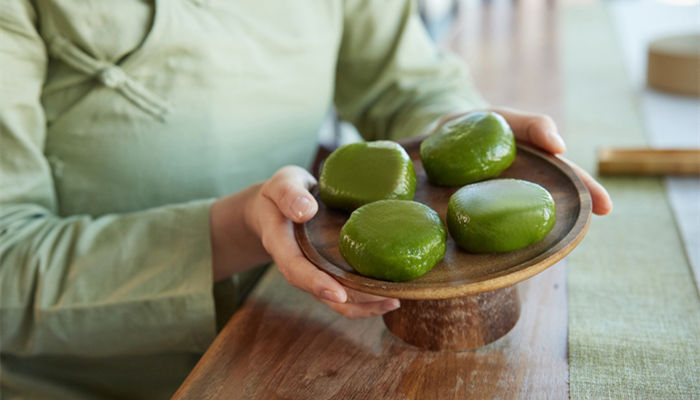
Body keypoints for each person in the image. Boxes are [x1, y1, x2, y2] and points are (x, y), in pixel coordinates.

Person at [0, 0, 612, 398]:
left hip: (292, 336)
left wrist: (456, 127)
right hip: (95, 377)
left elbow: (404, 81)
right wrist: (244, 227)